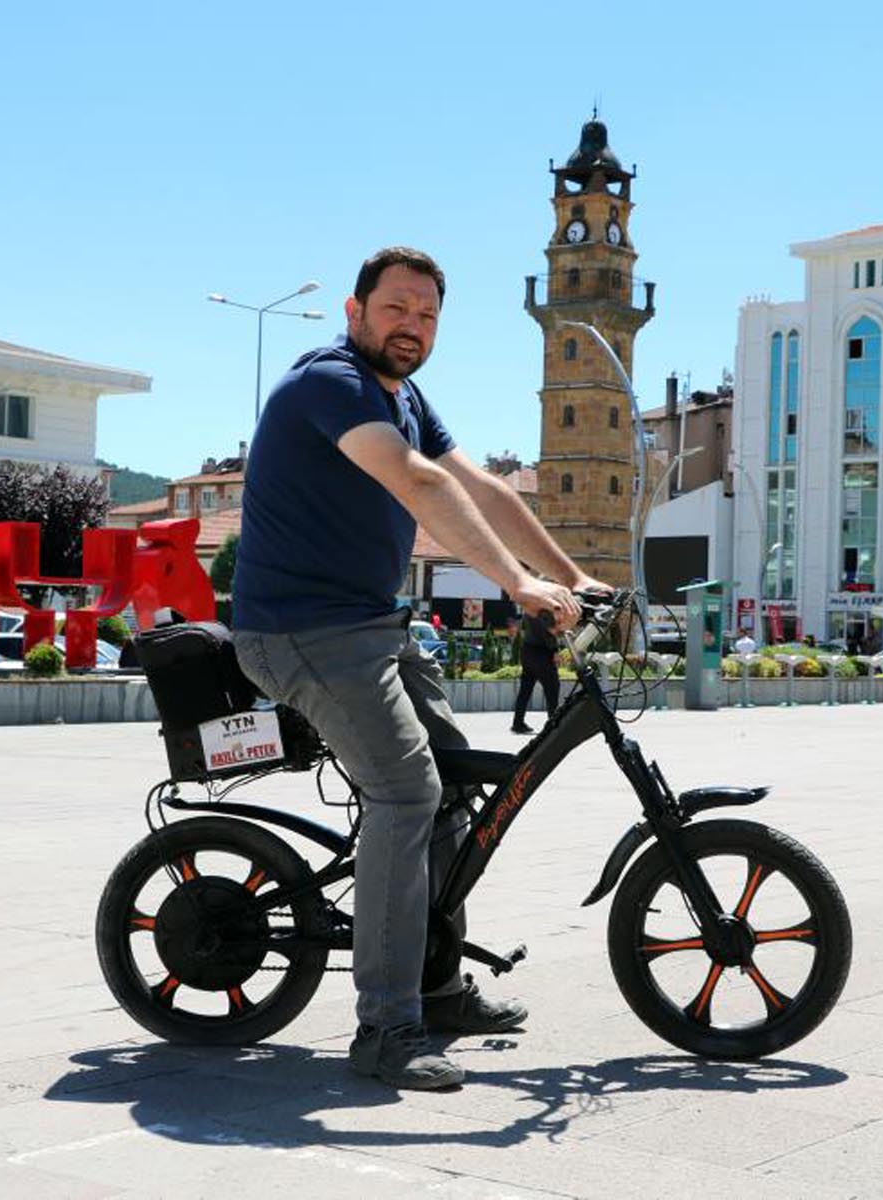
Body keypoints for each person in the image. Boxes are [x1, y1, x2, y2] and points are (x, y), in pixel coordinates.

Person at [231, 247, 608, 1090]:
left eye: (428, 315)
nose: (413, 327)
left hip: (374, 628)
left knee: (453, 785)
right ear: (355, 308)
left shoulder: (405, 396)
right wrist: (515, 585)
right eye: (397, 308)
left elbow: (488, 489)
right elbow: (416, 480)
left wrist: (575, 577)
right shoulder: (329, 382)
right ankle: (386, 1029)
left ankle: (436, 989)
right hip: (300, 633)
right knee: (407, 791)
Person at [510, 608, 560, 734]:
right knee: (552, 688)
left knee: (525, 690)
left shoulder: (528, 609)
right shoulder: (544, 610)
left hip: (527, 650)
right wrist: (555, 650)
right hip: (542, 652)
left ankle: (517, 723)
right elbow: (550, 632)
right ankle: (552, 725)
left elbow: (524, 627)